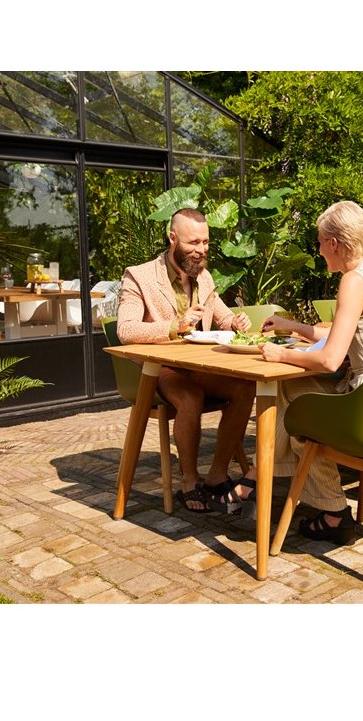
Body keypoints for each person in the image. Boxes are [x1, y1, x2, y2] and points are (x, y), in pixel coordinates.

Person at [206, 200, 363, 544]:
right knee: (296, 396)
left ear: (334, 243)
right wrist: (293, 327)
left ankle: (332, 511)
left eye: (320, 242)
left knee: (295, 409)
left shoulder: (352, 282)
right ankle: (256, 479)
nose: (319, 250)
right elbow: (341, 335)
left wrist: (281, 355)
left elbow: (330, 360)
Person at [116, 208, 256, 513]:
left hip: (198, 366)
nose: (201, 250)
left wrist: (236, 322)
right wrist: (174, 326)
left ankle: (217, 476)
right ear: (173, 239)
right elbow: (125, 330)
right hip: (161, 370)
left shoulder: (203, 276)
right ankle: (189, 481)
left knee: (245, 387)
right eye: (193, 243)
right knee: (191, 397)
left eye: (205, 242)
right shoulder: (139, 276)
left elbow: (223, 316)